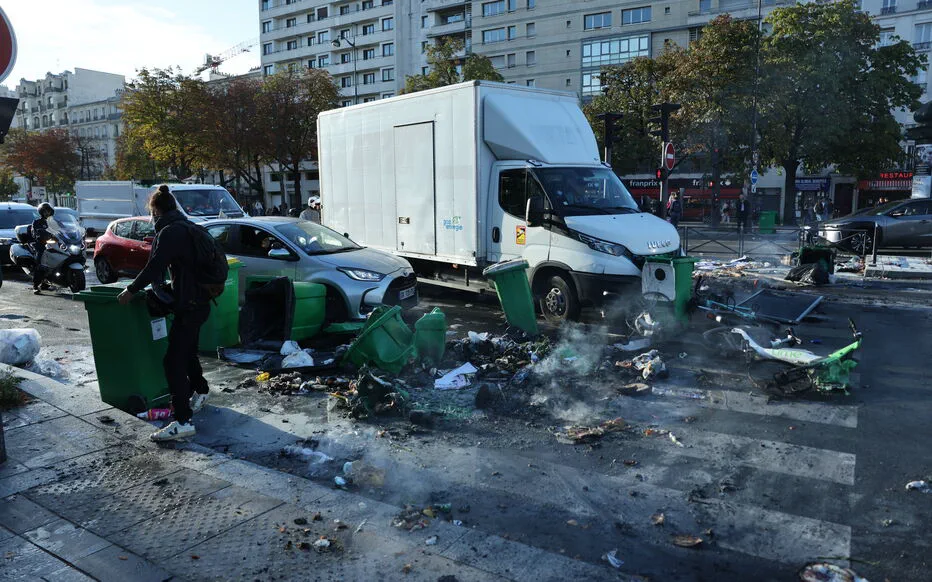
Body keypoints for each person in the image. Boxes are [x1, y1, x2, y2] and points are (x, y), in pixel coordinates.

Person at [117, 185, 211, 442]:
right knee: (187, 351)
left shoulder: (171, 232)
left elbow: (154, 266)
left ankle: (182, 420)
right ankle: (201, 390)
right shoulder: (188, 226)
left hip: (190, 303)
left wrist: (130, 290)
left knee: (173, 361)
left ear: (156, 209)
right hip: (200, 302)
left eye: (152, 212)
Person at [31, 203, 54, 294]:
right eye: (45, 211)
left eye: (48, 211)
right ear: (41, 212)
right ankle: (35, 286)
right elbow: (35, 233)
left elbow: (62, 230)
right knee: (40, 264)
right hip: (42, 245)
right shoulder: (37, 222)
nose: (47, 213)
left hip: (54, 244)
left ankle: (48, 283)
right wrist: (40, 235)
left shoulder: (54, 222)